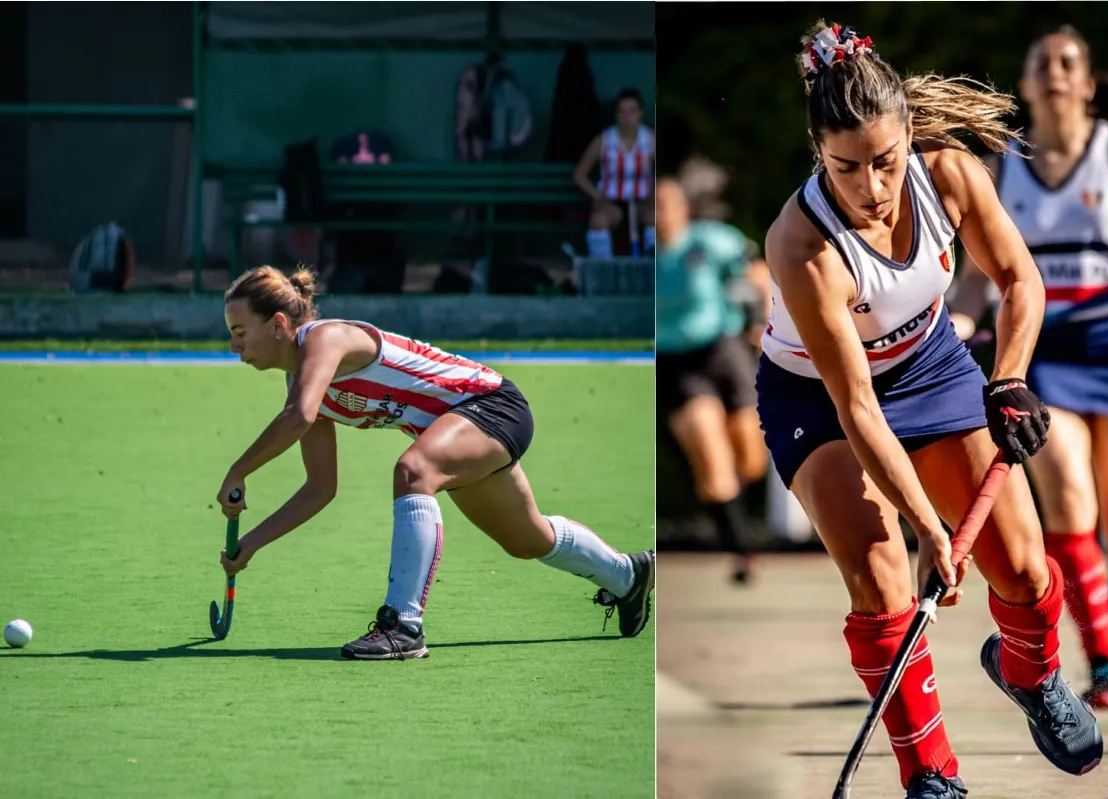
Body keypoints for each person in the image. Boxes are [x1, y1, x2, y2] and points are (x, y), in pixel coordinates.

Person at [757, 22, 1103, 799]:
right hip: (818, 400)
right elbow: (856, 408)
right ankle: (931, 777)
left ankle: (1031, 674)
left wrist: (1007, 380)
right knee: (882, 582)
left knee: (1017, 565)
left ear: (908, 132)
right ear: (817, 150)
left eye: (884, 162)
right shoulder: (801, 245)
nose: (871, 188)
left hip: (931, 364)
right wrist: (926, 526)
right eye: (846, 168)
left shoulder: (947, 174)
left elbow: (1019, 280)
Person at [216, 265, 655, 659]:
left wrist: (238, 471)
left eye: (239, 331)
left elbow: (299, 418)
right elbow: (320, 488)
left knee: (413, 472)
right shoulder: (302, 382)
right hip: (456, 431)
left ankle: (403, 627)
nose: (234, 346)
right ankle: (628, 575)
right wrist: (251, 543)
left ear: (277, 324)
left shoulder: (325, 338)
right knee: (527, 540)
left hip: (492, 405)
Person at [949, 26, 1108, 712]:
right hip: (1041, 353)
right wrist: (958, 323)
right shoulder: (1002, 165)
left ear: (1087, 84)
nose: (1054, 74)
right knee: (1067, 500)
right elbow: (979, 276)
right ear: (1025, 85)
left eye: (1067, 64)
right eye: (1041, 65)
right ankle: (1106, 663)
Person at [656, 177, 770, 583]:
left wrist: (761, 321)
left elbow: (756, 271)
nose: (659, 213)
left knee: (751, 460)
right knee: (709, 454)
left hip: (725, 353)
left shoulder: (711, 242)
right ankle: (742, 550)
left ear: (683, 209)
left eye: (666, 204)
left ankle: (736, 510)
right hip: (675, 366)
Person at [573, 88, 656, 258]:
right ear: (616, 114)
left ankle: (654, 266)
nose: (626, 117)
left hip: (643, 202)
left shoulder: (650, 139)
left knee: (655, 217)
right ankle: (604, 270)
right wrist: (597, 196)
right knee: (598, 220)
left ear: (640, 113)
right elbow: (579, 175)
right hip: (611, 202)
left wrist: (655, 194)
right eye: (622, 111)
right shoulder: (603, 139)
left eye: (632, 111)